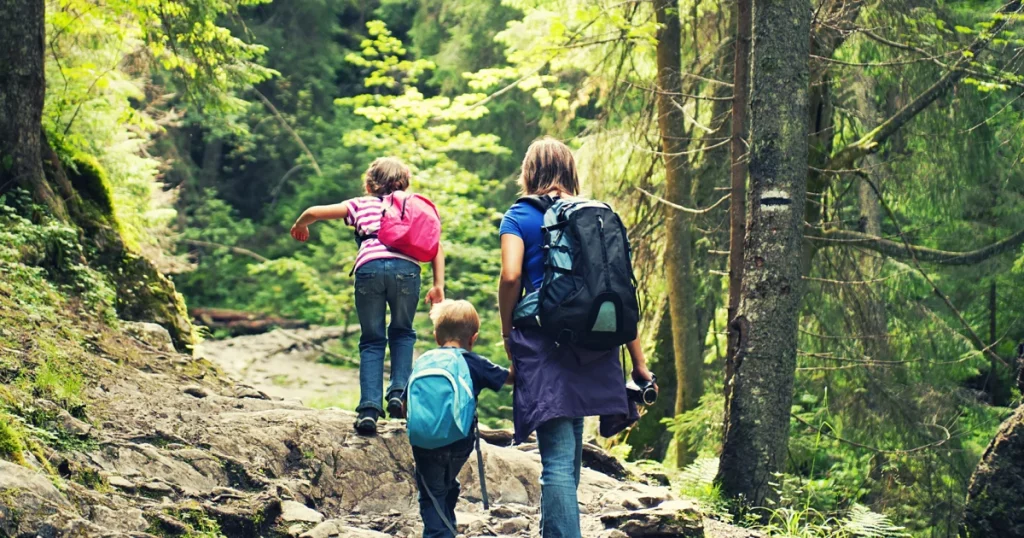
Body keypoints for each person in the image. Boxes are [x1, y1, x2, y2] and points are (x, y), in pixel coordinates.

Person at [497, 137, 655, 538]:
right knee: (568, 459)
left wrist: (507, 332)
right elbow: (620, 290)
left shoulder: (519, 215)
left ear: (530, 172)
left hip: (544, 340)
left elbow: (511, 276)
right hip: (595, 343)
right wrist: (638, 362)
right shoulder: (596, 214)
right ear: (570, 171)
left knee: (556, 461)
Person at [290, 157, 445, 435]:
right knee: (403, 332)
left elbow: (314, 212)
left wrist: (301, 225)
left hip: (369, 269)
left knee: (372, 339)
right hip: (406, 271)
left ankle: (369, 410)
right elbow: (436, 246)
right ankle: (398, 393)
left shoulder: (360, 204)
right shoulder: (413, 208)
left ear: (370, 185)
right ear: (405, 185)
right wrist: (438, 285)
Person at [411, 300, 513, 538]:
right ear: (473, 338)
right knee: (448, 484)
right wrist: (515, 348)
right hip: (459, 442)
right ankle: (446, 529)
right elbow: (511, 378)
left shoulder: (424, 360)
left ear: (436, 336)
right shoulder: (474, 362)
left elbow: (406, 405)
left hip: (424, 442)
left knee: (432, 493)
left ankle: (440, 532)